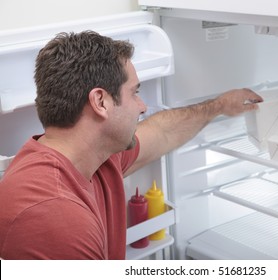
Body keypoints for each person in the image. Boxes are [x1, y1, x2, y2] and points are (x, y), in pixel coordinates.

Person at [0, 31, 262, 259]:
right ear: (100, 101)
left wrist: (219, 106)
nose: (142, 106)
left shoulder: (97, 159)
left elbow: (162, 131)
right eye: (135, 92)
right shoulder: (54, 217)